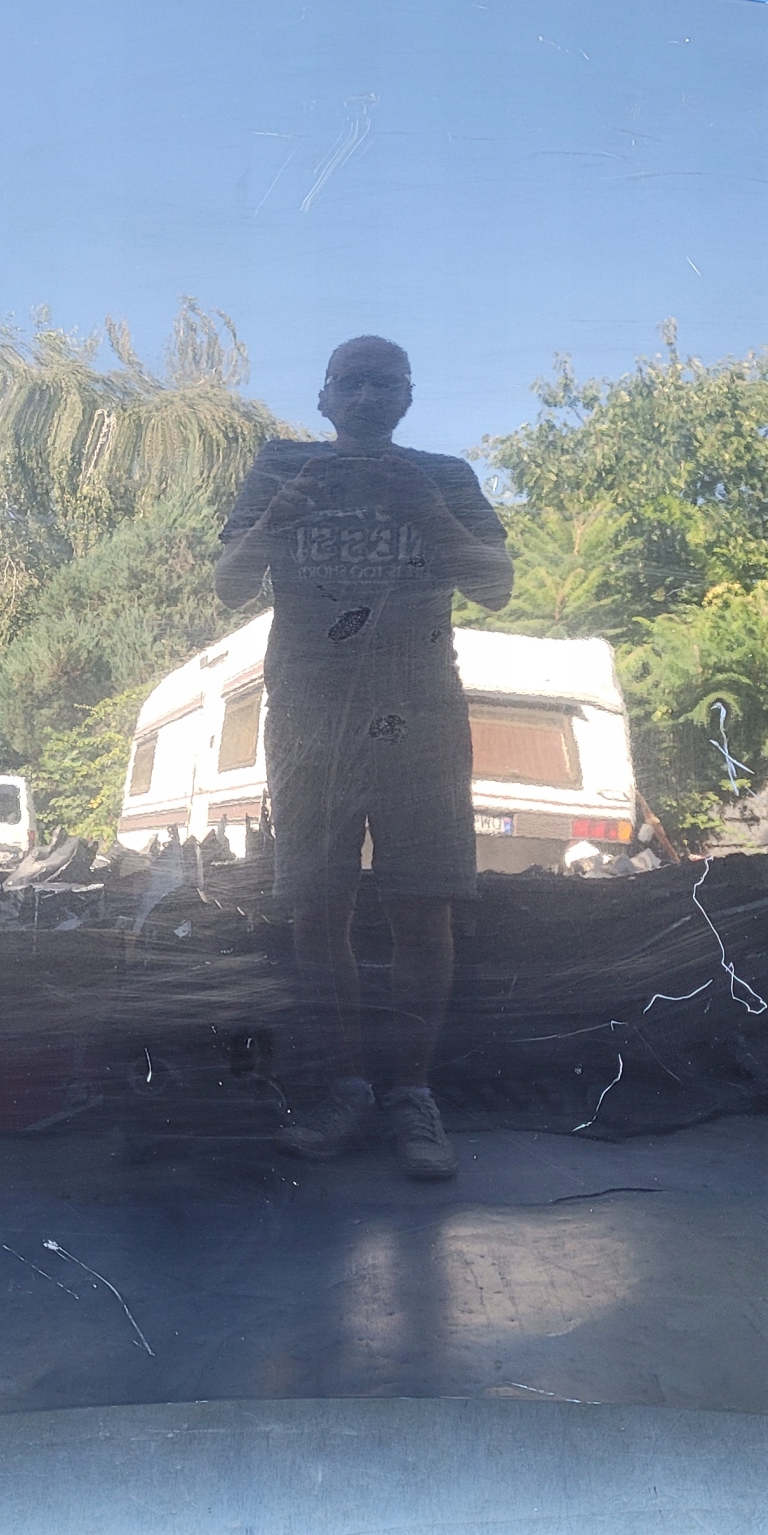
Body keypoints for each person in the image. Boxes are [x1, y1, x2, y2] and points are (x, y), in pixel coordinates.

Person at [213, 336, 514, 1178]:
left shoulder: (444, 475)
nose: (368, 395)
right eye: (352, 381)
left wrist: (428, 511)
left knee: (423, 907)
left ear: (409, 397)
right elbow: (227, 585)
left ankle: (412, 1097)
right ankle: (344, 1090)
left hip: (420, 714)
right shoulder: (280, 466)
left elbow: (497, 586)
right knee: (317, 906)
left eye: (386, 382)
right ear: (324, 397)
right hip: (308, 718)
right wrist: (278, 516)